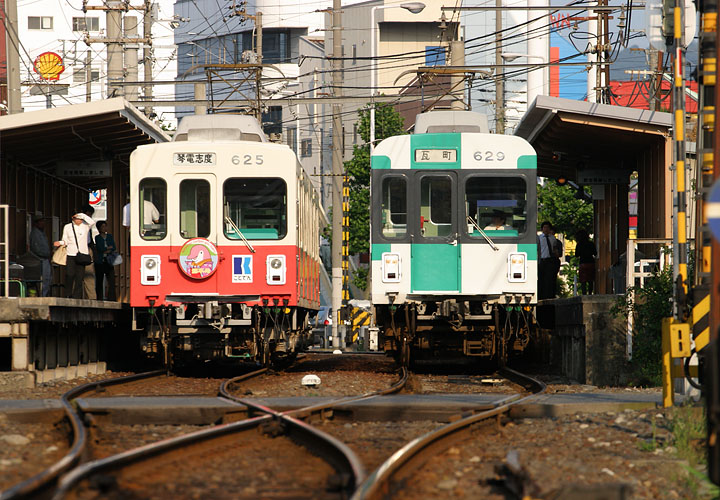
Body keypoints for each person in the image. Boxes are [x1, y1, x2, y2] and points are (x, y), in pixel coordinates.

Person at [54, 212, 94, 299]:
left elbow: (92, 222)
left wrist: (82, 215)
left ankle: (77, 295)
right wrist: (59, 243)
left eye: (80, 219)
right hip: (71, 253)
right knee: (70, 274)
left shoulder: (85, 226)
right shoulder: (68, 227)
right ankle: (68, 293)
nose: (78, 220)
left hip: (82, 254)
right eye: (76, 219)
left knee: (80, 276)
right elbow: (65, 240)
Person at [29, 215, 52, 296]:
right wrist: (45, 254)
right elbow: (36, 248)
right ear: (36, 223)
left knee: (47, 279)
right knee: (42, 279)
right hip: (39, 259)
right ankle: (41, 295)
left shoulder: (42, 233)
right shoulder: (35, 233)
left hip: (44, 259)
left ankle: (44, 294)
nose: (43, 223)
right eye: (41, 221)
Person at [537, 221, 560, 299]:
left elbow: (554, 248)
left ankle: (549, 295)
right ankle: (541, 295)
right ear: (542, 229)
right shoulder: (539, 238)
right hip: (542, 260)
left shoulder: (552, 238)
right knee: (541, 278)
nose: (546, 229)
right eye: (544, 227)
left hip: (550, 260)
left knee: (549, 279)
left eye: (547, 228)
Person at [94, 221, 117, 301]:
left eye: (105, 226)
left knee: (111, 280)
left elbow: (113, 247)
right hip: (100, 261)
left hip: (109, 261)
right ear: (99, 228)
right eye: (102, 226)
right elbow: (99, 248)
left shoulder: (110, 236)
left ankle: (112, 298)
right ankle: (99, 298)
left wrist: (106, 250)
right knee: (99, 280)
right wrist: (107, 248)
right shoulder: (97, 237)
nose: (104, 228)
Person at [81, 205, 97, 299]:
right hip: (81, 250)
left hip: (87, 250)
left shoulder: (88, 225)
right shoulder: (77, 225)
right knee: (80, 275)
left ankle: (92, 297)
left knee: (89, 275)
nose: (89, 217)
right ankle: (79, 296)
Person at [575, 229, 597, 294]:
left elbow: (576, 255)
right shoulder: (591, 244)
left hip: (583, 262)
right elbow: (595, 253)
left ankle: (584, 293)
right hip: (591, 262)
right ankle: (590, 293)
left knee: (583, 280)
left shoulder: (579, 245)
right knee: (591, 279)